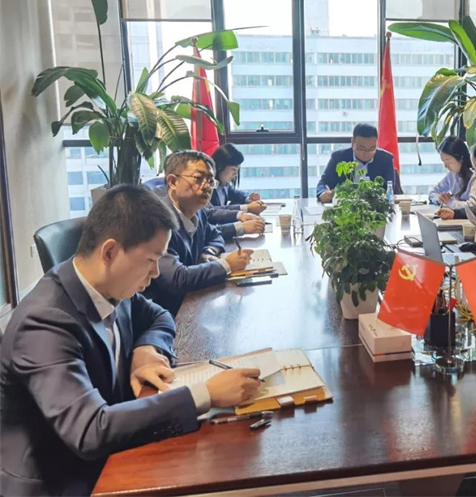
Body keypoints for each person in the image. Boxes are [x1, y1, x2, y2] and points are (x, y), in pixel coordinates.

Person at [0, 186, 261, 496]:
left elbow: (159, 316)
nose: (155, 273)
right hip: (62, 479)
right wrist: (205, 394)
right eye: (150, 260)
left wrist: (146, 350)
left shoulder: (108, 285)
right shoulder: (44, 323)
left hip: (110, 452)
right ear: (109, 252)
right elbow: (90, 430)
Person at [144, 150, 253, 315]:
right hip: (161, 314)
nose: (207, 186)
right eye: (198, 178)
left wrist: (208, 252)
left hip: (190, 303)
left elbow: (214, 234)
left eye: (210, 180)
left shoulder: (198, 212)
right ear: (172, 182)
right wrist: (226, 265)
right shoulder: (157, 221)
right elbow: (177, 279)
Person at [316, 123, 402, 202]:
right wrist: (323, 192)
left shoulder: (386, 159)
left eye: (371, 149)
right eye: (362, 148)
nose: (366, 153)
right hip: (345, 206)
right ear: (352, 143)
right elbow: (324, 182)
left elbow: (389, 188)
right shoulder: (339, 158)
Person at [428, 136, 476, 209]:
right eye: (443, 162)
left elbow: (473, 205)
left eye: (448, 162)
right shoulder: (452, 175)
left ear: (461, 158)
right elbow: (432, 192)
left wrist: (450, 202)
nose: (445, 166)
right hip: (456, 215)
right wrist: (439, 199)